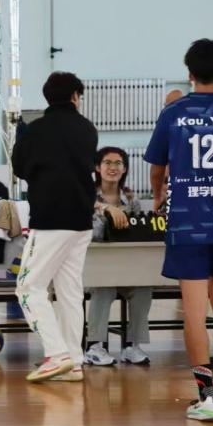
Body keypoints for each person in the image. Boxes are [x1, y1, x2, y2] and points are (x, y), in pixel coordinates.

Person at [145, 38, 213, 421]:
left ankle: (206, 396)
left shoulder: (174, 113)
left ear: (190, 73)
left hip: (187, 221)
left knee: (194, 312)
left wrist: (158, 195)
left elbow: (157, 167)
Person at [13, 72, 98, 383]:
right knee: (69, 291)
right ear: (75, 96)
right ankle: (74, 362)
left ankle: (56, 354)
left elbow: (20, 167)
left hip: (50, 220)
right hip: (82, 221)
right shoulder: (88, 129)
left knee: (27, 287)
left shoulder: (36, 130)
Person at [85, 146, 153, 366]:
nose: (112, 167)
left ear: (124, 169)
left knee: (142, 288)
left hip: (125, 267)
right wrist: (105, 210)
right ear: (98, 167)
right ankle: (95, 346)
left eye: (118, 163)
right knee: (104, 288)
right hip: (94, 268)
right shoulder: (86, 196)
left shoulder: (131, 200)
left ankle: (132, 346)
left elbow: (137, 231)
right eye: (107, 163)